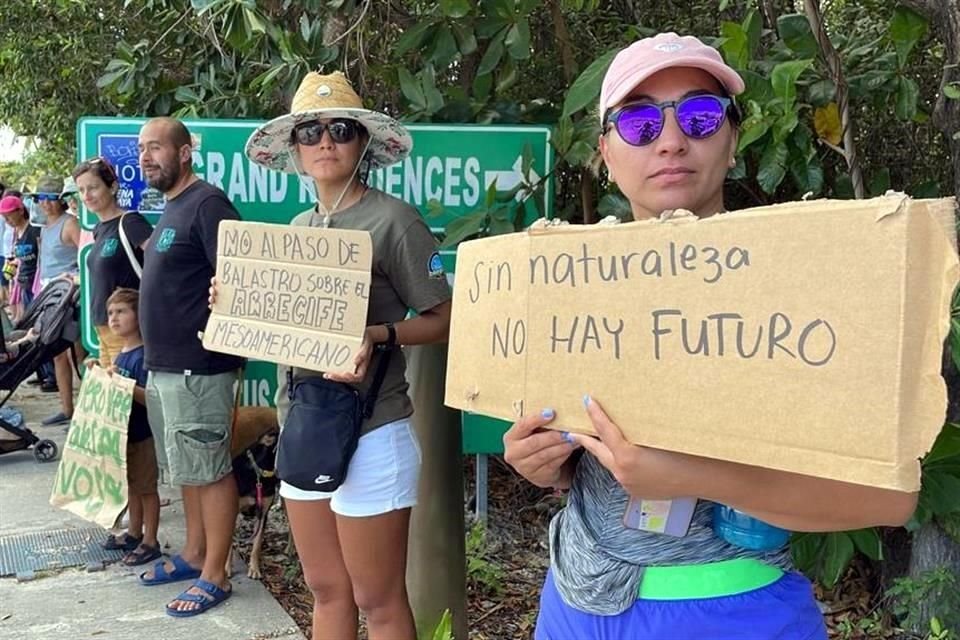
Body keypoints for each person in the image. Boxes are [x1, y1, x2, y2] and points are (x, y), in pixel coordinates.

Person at [502, 33, 918, 640]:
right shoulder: (571, 285)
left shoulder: (806, 287)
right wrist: (545, 465)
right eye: (640, 122)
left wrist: (695, 477)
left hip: (736, 610)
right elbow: (574, 456)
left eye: (699, 116)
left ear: (732, 140)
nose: (671, 139)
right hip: (576, 601)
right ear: (606, 152)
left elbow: (889, 499)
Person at [237, 71, 452, 640]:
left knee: (377, 599)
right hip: (305, 422)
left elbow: (444, 318)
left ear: (363, 143)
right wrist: (234, 301)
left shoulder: (394, 220)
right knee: (326, 588)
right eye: (310, 132)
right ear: (295, 149)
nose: (325, 142)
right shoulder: (299, 227)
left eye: (340, 129)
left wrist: (376, 335)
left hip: (373, 425)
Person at [137, 117, 244, 618]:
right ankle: (195, 552)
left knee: (210, 468)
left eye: (156, 147)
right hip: (166, 366)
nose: (146, 156)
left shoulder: (207, 204)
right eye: (142, 148)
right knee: (188, 468)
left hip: (199, 366)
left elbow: (240, 279)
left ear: (184, 153)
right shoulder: (172, 207)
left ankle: (216, 573)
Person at [96, 287, 162, 567]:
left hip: (143, 434)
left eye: (122, 311)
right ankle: (134, 532)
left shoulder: (143, 355)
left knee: (147, 488)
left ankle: (151, 540)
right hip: (125, 434)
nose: (114, 318)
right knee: (133, 486)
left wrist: (124, 385)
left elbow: (151, 398)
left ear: (139, 315)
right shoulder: (122, 353)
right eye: (111, 312)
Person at [74, 157, 153, 368]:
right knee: (109, 388)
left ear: (112, 187)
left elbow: (161, 262)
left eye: (93, 188)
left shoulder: (130, 222)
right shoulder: (99, 229)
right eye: (81, 190)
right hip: (104, 328)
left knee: (128, 387)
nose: (86, 195)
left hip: (127, 330)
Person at [34, 175, 80, 425]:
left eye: (51, 198)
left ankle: (87, 408)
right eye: (41, 198)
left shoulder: (70, 224)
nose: (46, 203)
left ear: (60, 199)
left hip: (71, 296)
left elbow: (87, 254)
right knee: (57, 353)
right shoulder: (44, 227)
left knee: (79, 354)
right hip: (50, 295)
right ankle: (67, 408)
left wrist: (73, 277)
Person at [0, 195, 41, 324]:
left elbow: (42, 256)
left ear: (21, 211)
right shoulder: (16, 231)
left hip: (35, 284)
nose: (7, 220)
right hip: (23, 283)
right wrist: (15, 263)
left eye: (9, 215)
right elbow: (21, 257)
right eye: (4, 217)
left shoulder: (35, 230)